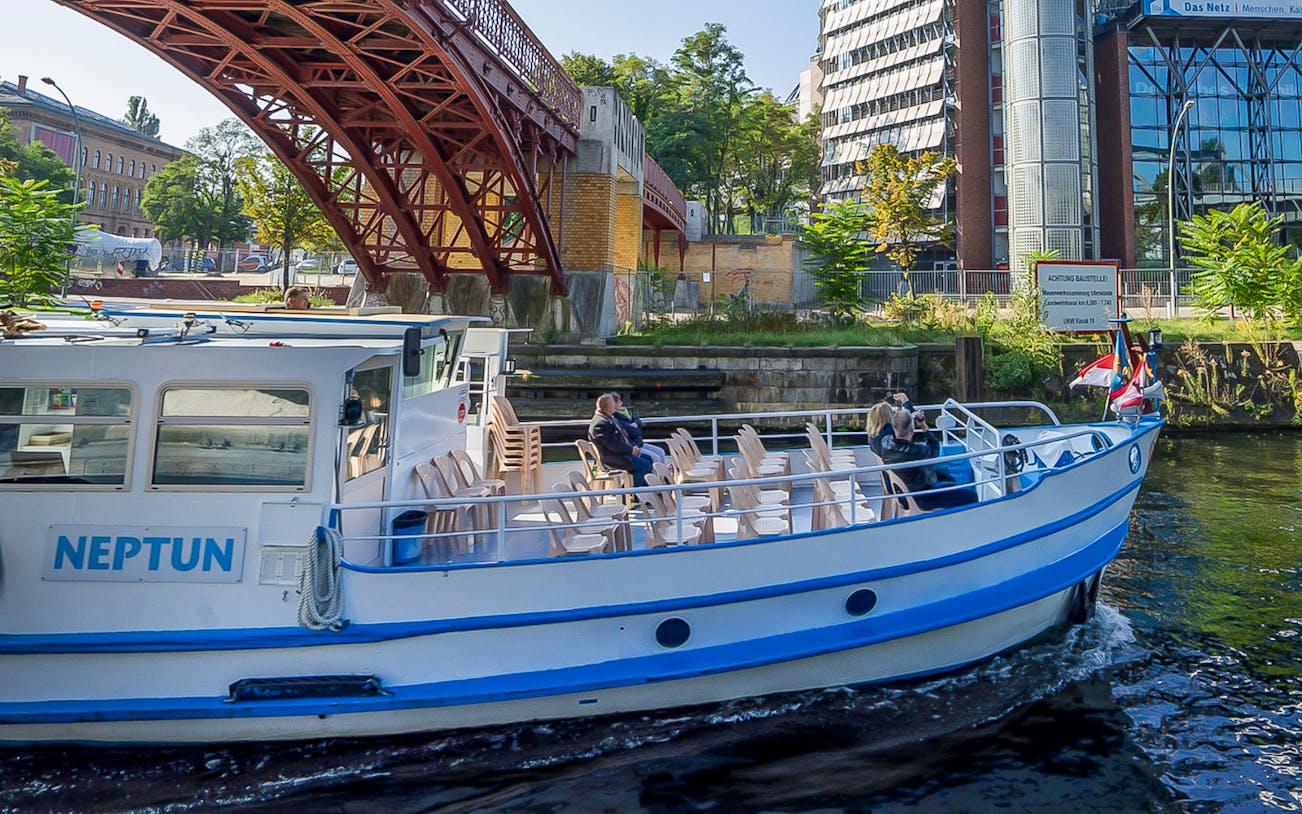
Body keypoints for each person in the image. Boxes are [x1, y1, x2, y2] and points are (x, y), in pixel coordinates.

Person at [880, 409, 978, 510]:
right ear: (912, 429)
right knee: (971, 495)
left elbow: (898, 431)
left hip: (902, 495)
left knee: (948, 480)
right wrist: (923, 426)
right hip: (922, 498)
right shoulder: (917, 451)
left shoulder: (885, 442)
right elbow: (935, 448)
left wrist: (908, 418)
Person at [588, 393, 654, 487]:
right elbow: (614, 445)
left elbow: (622, 438)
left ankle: (642, 493)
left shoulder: (609, 418)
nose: (614, 406)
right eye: (612, 404)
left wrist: (633, 448)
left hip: (619, 454)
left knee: (648, 459)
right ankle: (631, 495)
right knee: (644, 465)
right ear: (607, 406)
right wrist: (631, 450)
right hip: (613, 459)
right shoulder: (601, 424)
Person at [610, 393, 666, 463]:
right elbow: (633, 431)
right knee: (655, 457)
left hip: (637, 443)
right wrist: (635, 427)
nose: (621, 403)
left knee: (660, 451)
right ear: (614, 404)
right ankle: (655, 473)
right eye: (619, 401)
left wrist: (636, 423)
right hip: (631, 445)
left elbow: (637, 419)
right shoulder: (614, 417)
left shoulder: (624, 413)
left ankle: (663, 473)